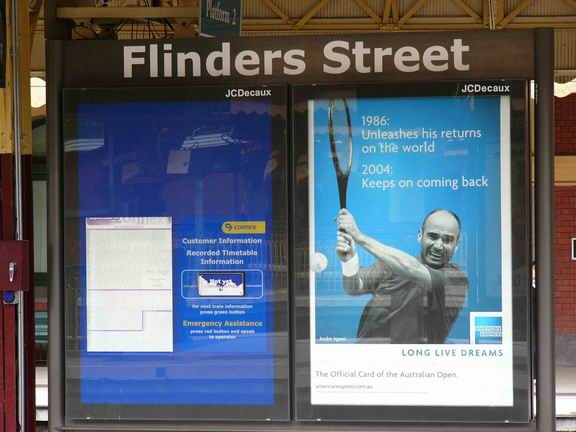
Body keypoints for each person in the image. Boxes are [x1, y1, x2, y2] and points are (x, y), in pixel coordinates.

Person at [336, 208, 468, 344]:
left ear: (456, 245)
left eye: (447, 240)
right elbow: (354, 288)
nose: (438, 246)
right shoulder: (392, 265)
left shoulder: (456, 280)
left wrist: (357, 235)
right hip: (368, 360)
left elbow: (412, 268)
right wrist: (349, 261)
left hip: (413, 363)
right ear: (420, 236)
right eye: (433, 237)